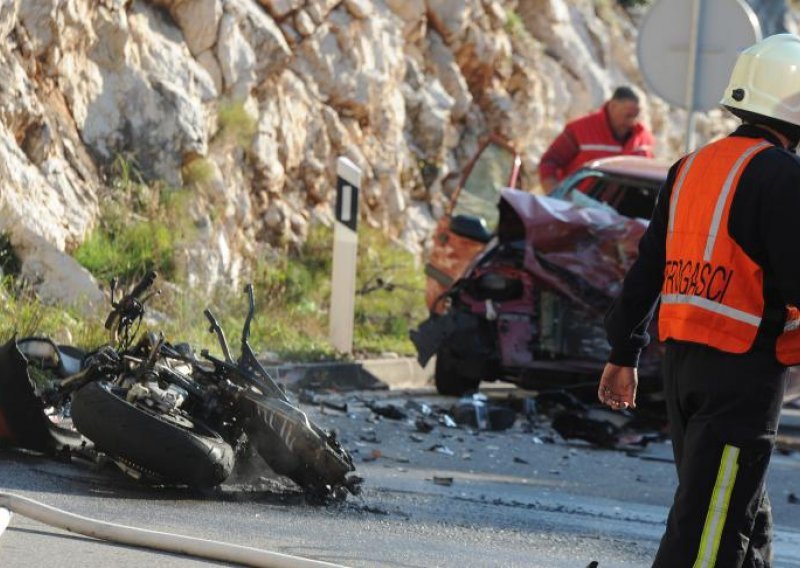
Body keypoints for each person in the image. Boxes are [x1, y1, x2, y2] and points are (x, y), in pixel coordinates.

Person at [598, 33, 800, 567]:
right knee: (708, 533)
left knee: (736, 512)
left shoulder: (691, 166)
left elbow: (648, 269)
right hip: (744, 374)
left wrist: (623, 353)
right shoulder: (783, 177)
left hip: (684, 368)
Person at [537, 86, 655, 193]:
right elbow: (549, 163)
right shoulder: (580, 130)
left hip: (624, 213)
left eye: (636, 115)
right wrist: (556, 195)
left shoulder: (645, 140)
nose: (632, 121)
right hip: (576, 210)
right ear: (612, 106)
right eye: (628, 115)